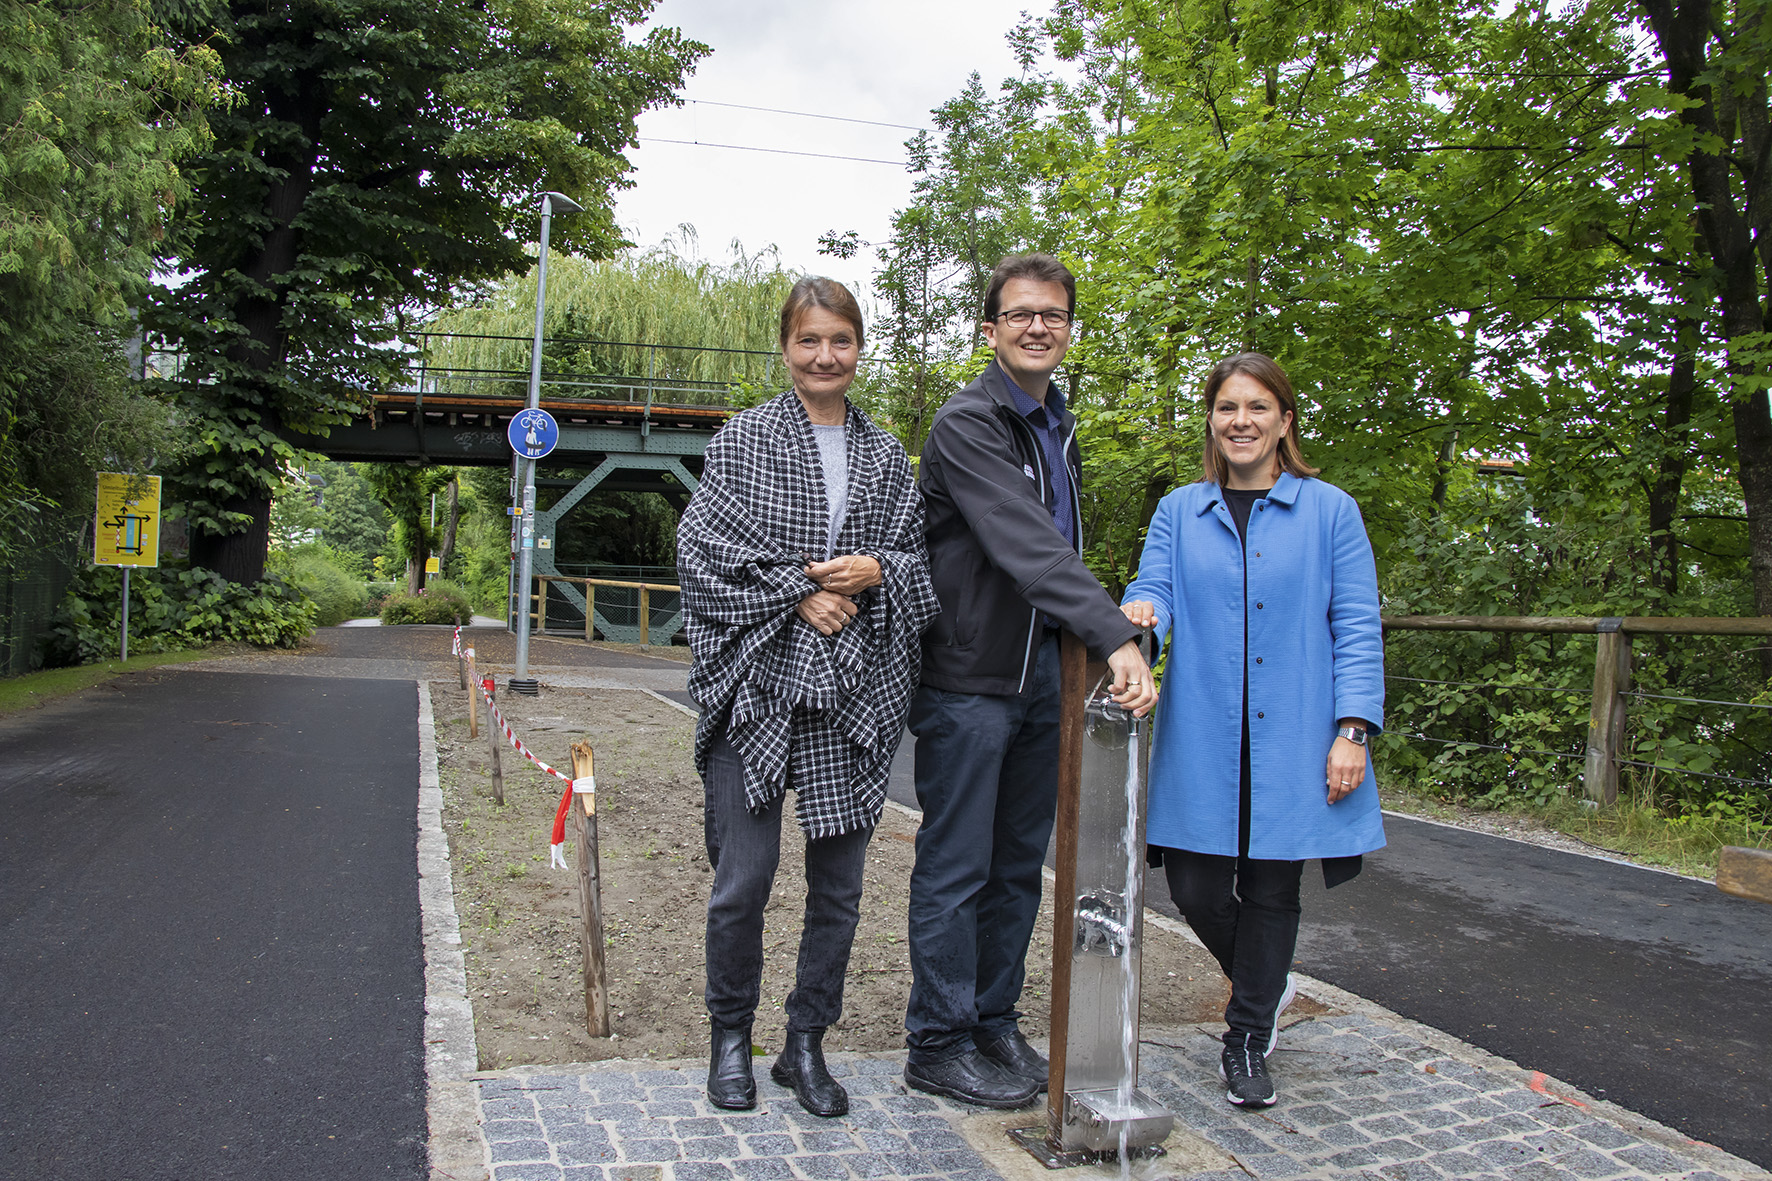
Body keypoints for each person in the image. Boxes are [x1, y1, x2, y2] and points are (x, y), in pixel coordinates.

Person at [676, 277, 937, 1117]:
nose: (825, 356)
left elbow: (918, 561)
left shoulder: (887, 452)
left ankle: (805, 1041)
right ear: (785, 347)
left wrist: (875, 570)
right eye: (809, 340)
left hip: (851, 694)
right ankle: (729, 1037)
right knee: (742, 881)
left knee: (841, 890)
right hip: (756, 684)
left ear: (859, 348)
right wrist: (796, 590)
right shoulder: (743, 440)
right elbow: (702, 552)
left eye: (842, 340)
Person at [903, 253, 1158, 1109]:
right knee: (956, 864)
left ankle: (990, 1020)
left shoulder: (1060, 426)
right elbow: (1025, 544)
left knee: (1018, 865)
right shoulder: (968, 424)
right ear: (990, 329)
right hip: (971, 678)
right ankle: (936, 1039)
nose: (1037, 326)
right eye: (1020, 314)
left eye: (1052, 314)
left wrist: (1106, 626)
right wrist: (1113, 633)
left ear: (1068, 329)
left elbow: (1064, 557)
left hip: (1043, 679)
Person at [1120, 352, 1385, 1109]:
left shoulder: (1330, 509)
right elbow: (1154, 588)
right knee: (1199, 886)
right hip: (1203, 732)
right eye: (1228, 407)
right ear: (1212, 419)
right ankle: (1268, 983)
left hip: (1299, 735)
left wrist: (1353, 729)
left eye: (1258, 407)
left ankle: (1245, 1037)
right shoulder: (1179, 509)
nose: (1242, 420)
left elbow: (1358, 623)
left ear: (1284, 421)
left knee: (1273, 888)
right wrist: (1142, 616)